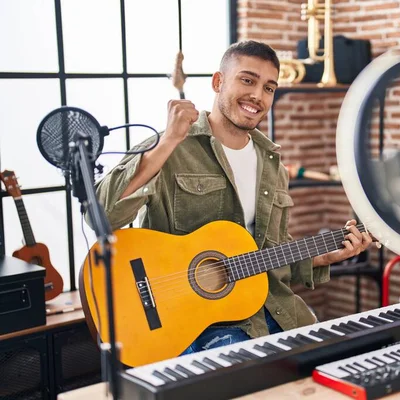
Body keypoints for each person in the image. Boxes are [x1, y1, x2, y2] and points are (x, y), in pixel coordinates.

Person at [92, 40, 373, 354]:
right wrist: (169, 138)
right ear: (218, 82)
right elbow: (101, 215)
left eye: (269, 88)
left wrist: (322, 257)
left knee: (348, 357)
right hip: (189, 324)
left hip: (273, 312)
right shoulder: (168, 147)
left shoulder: (273, 165)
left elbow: (266, 256)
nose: (258, 96)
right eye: (248, 80)